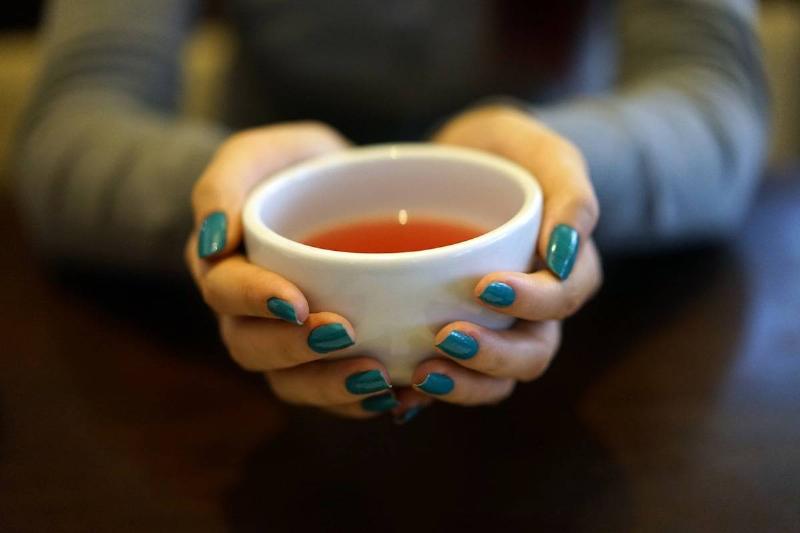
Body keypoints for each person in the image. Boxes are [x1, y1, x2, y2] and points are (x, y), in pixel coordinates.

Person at [13, 0, 767, 422]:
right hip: (247, 359)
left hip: (598, 358)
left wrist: (558, 182)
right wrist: (232, 202)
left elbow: (716, 92)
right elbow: (71, 121)